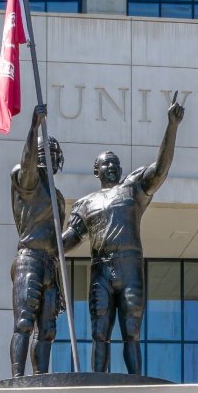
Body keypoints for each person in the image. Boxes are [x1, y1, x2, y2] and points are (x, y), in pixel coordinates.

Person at [61, 94, 185, 375]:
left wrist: (172, 126)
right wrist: (47, 245)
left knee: (132, 331)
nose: (112, 166)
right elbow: (69, 239)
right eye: (106, 163)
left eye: (115, 162)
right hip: (100, 269)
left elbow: (161, 169)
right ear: (97, 170)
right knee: (99, 331)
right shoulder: (86, 203)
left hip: (129, 266)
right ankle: (98, 382)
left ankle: (135, 381)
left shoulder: (133, 189)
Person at [9, 105, 66, 377]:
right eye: (48, 154)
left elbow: (59, 242)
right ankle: (18, 377)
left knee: (48, 330)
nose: (52, 159)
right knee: (23, 323)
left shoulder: (59, 197)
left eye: (55, 155)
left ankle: (40, 378)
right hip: (29, 259)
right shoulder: (29, 184)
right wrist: (33, 128)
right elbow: (28, 160)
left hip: (49, 265)